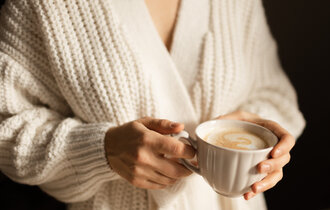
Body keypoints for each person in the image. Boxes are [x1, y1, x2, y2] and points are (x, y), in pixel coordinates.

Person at [0, 0, 305, 209]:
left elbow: (276, 95)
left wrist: (263, 146)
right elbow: (7, 127)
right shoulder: (42, 6)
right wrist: (101, 149)